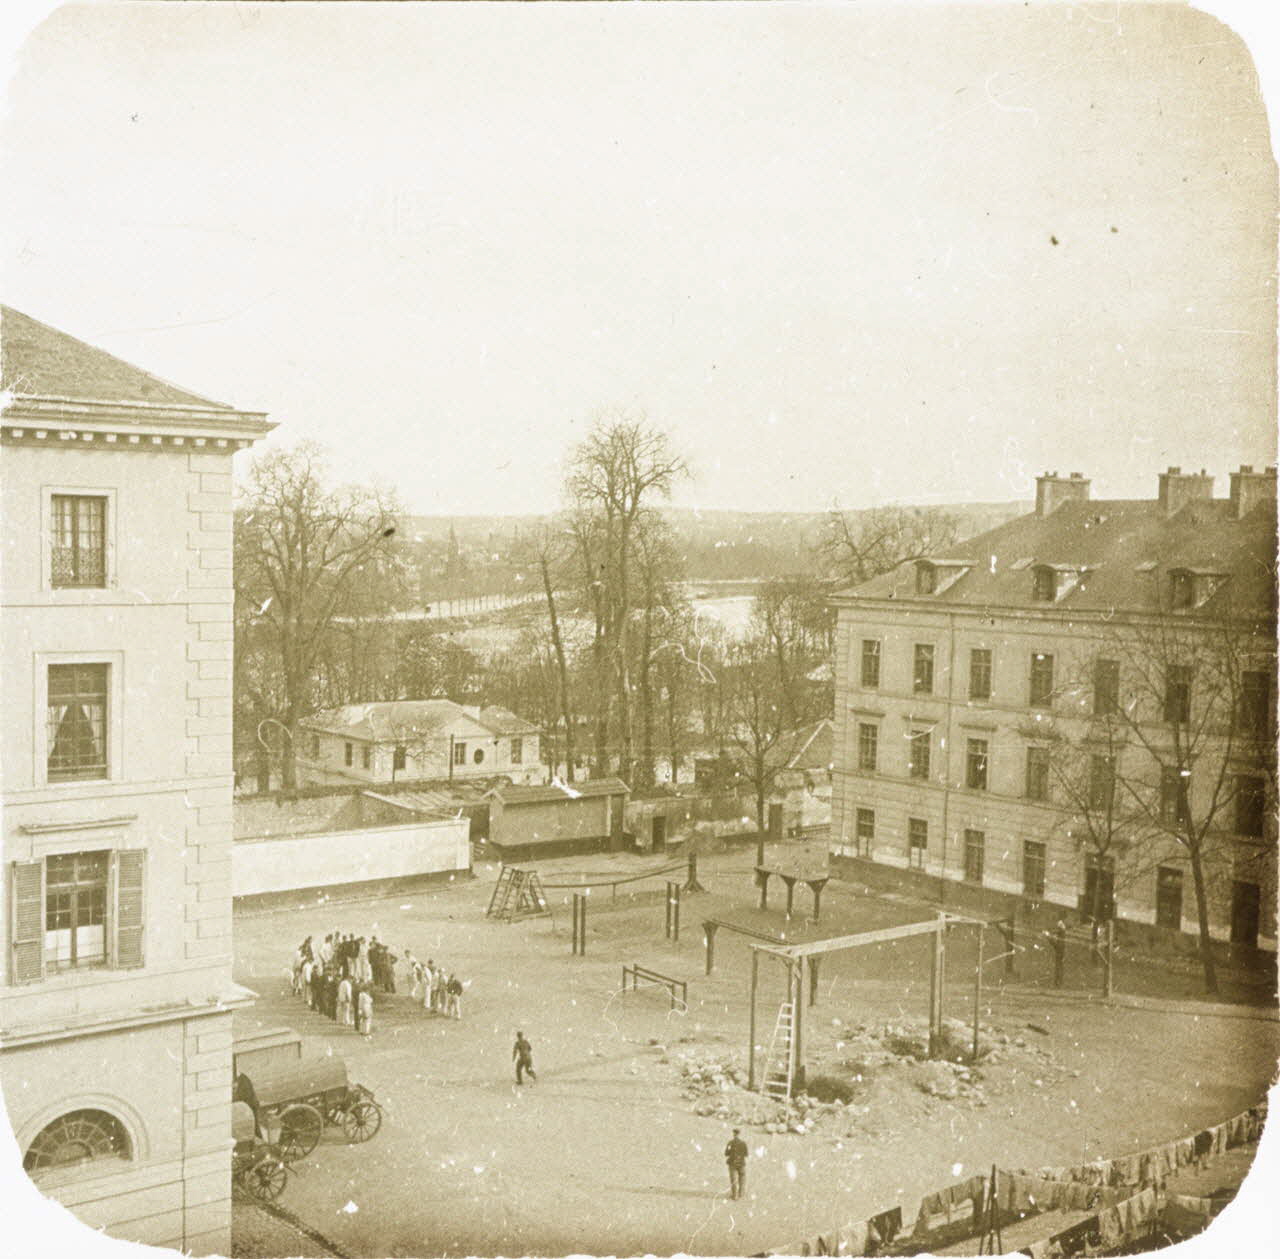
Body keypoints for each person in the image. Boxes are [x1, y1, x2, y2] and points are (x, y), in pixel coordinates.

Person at [725, 1128, 749, 1200]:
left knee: (734, 1180)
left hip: (732, 1163)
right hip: (741, 1163)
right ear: (739, 1134)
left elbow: (726, 1153)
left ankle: (735, 1195)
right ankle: (741, 1194)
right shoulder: (743, 1143)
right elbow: (746, 1154)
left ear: (734, 1134)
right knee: (742, 1178)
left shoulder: (730, 1143)